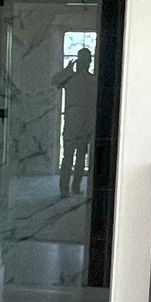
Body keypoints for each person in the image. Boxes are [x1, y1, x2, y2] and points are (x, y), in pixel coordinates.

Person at [54, 44, 96, 196]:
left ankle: (73, 187)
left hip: (84, 121)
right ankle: (66, 188)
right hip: (75, 121)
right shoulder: (70, 78)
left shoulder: (92, 79)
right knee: (71, 157)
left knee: (77, 158)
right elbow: (54, 81)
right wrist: (67, 70)